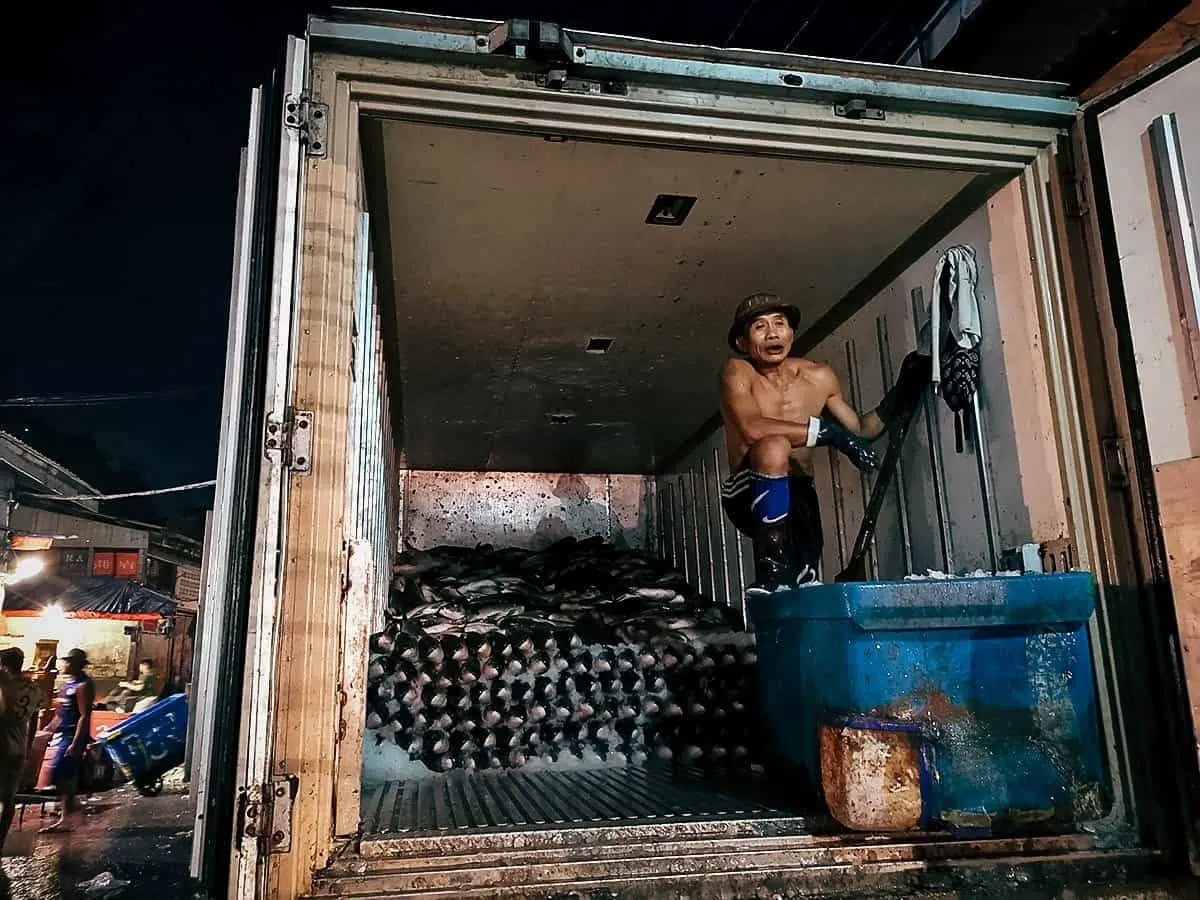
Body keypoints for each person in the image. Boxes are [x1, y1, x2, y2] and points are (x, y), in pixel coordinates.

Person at [719, 292, 927, 594]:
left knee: (805, 581)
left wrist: (903, 389)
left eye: (780, 323)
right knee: (774, 445)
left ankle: (793, 609)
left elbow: (860, 430)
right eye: (759, 326)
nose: (773, 333)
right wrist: (831, 434)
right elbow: (753, 429)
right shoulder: (737, 371)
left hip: (800, 493)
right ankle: (771, 570)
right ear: (742, 343)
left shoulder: (819, 376)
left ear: (791, 333)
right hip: (747, 489)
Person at [40, 648, 94, 834]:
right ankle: (69, 812)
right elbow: (60, 714)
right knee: (61, 775)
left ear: (76, 664)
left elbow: (84, 715)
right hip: (62, 733)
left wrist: (77, 741)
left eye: (68, 662)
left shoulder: (83, 685)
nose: (64, 665)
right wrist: (48, 729)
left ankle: (67, 818)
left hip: (72, 735)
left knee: (63, 774)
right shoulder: (66, 684)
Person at [0, 647, 41, 852]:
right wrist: (29, 744)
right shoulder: (34, 688)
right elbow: (34, 719)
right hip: (19, 746)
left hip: (2, 746)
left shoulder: (4, 687)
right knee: (8, 799)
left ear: (3, 666)